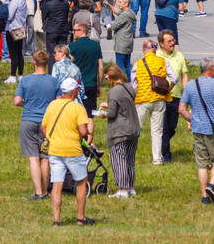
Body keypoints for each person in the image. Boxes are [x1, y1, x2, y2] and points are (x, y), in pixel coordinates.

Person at [41, 77, 95, 226]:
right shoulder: (77, 108)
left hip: (55, 149)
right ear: (74, 92)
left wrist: (52, 137)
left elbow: (43, 127)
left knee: (57, 185)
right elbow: (83, 131)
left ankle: (56, 220)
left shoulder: (52, 105)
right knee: (81, 182)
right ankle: (80, 218)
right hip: (73, 150)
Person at [178, 57, 214, 205]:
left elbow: (181, 109)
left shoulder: (190, 85)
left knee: (202, 164)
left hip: (197, 129)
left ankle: (204, 197)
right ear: (211, 69)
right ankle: (212, 185)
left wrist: (192, 119)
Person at [14, 50, 60, 200]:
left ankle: (38, 191)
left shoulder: (25, 80)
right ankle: (46, 190)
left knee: (33, 158)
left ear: (33, 62)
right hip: (47, 122)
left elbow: (17, 101)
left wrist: (27, 104)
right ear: (47, 63)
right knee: (45, 157)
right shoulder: (53, 81)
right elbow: (58, 102)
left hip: (28, 119)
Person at [133, 38, 177, 165]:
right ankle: (157, 159)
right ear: (155, 49)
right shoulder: (163, 61)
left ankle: (130, 154)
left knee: (136, 128)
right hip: (159, 98)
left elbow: (134, 84)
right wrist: (167, 89)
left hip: (143, 99)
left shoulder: (138, 63)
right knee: (157, 130)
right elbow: (174, 78)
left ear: (144, 50)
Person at [98, 64, 140, 198]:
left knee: (119, 159)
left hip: (120, 130)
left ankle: (122, 189)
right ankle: (130, 187)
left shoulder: (114, 91)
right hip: (133, 127)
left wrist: (102, 113)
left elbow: (112, 113)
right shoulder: (128, 87)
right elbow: (124, 104)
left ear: (110, 77)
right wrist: (109, 104)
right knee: (129, 159)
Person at [156, 29, 188, 163]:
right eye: (169, 41)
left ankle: (160, 144)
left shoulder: (179, 55)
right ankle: (165, 154)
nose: (172, 43)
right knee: (163, 126)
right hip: (161, 97)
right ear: (161, 44)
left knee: (172, 126)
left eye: (173, 40)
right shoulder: (156, 56)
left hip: (176, 96)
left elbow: (184, 75)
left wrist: (186, 93)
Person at [69, 21, 103, 114]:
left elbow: (68, 66)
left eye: (75, 30)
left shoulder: (72, 46)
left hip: (77, 85)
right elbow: (100, 67)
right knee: (90, 114)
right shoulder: (96, 45)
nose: (73, 32)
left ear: (81, 31)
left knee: (77, 114)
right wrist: (99, 85)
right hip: (92, 84)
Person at [4, 0, 30, 83]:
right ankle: (21, 74)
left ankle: (12, 75)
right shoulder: (23, 0)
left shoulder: (15, 1)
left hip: (13, 28)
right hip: (21, 28)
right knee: (19, 53)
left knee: (13, 53)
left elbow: (9, 16)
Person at [106, 0, 136, 78]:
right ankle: (130, 82)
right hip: (128, 42)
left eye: (120, 2)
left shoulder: (124, 15)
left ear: (126, 4)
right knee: (127, 65)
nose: (118, 4)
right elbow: (118, 12)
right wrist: (109, 5)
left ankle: (122, 81)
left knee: (120, 66)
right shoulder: (130, 13)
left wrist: (108, 25)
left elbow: (114, 26)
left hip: (121, 43)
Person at [42, 0, 70, 68]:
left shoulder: (49, 4)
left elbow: (44, 16)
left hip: (52, 30)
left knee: (51, 53)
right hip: (63, 30)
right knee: (62, 53)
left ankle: (52, 72)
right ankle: (62, 71)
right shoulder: (65, 3)